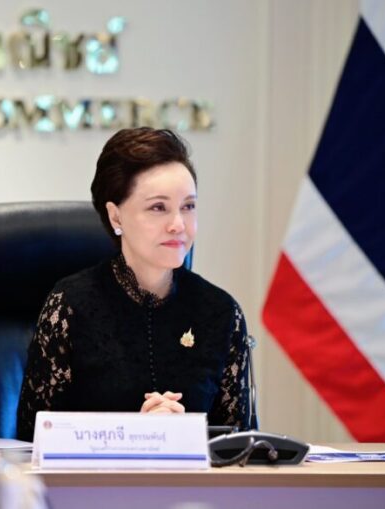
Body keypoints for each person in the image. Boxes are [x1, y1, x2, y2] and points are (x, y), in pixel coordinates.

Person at [16, 127, 254, 442]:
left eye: (188, 206)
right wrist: (135, 436)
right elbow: (32, 439)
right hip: (90, 476)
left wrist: (183, 437)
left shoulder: (221, 312)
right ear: (116, 217)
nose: (178, 225)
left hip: (195, 477)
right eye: (158, 208)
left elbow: (241, 447)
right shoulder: (70, 306)